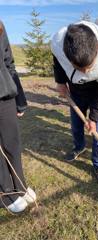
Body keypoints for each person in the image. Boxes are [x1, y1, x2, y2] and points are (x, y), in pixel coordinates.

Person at [51, 21, 98, 188]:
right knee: (76, 122)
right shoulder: (58, 43)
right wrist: (60, 82)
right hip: (76, 90)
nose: (87, 72)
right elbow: (58, 61)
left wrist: (94, 118)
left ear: (97, 49)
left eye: (89, 67)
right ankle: (78, 146)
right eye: (81, 68)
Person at [0, 21, 36, 212]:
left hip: (4, 94)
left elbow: (9, 62)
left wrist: (19, 98)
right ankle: (6, 194)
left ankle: (20, 187)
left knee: (12, 143)